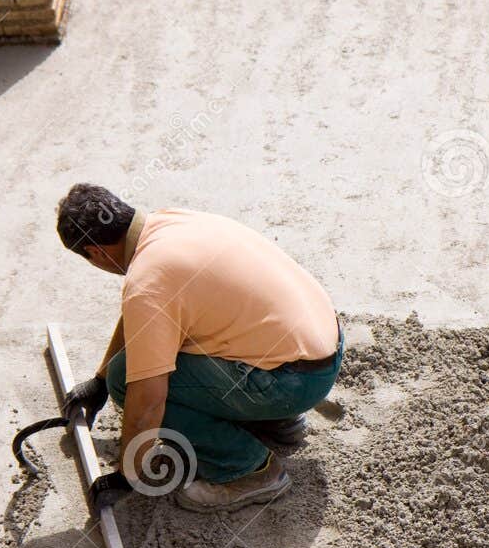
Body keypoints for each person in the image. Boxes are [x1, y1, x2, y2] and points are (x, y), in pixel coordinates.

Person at [55, 183, 342, 513]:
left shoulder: (148, 282)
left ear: (94, 252)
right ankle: (276, 422)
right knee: (173, 343)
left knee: (128, 378)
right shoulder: (171, 223)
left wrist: (127, 474)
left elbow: (148, 401)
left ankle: (252, 471)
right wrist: (99, 381)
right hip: (322, 347)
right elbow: (142, 319)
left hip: (293, 382)